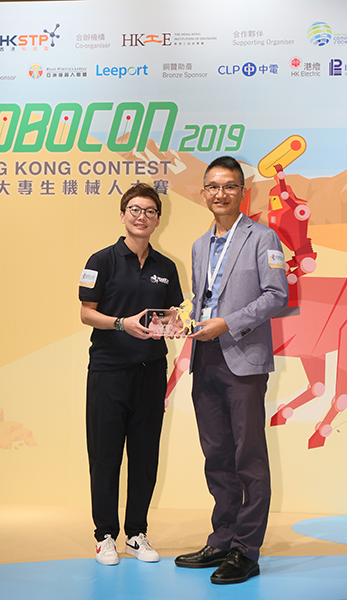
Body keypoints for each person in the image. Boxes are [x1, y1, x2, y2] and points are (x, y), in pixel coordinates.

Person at [175, 157, 289, 584]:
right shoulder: (199, 245)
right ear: (203, 192)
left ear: (243, 192)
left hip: (243, 359)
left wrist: (228, 323)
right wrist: (186, 320)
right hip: (204, 358)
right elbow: (202, 298)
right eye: (213, 186)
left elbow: (276, 295)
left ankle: (246, 550)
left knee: (248, 456)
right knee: (217, 455)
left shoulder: (263, 237)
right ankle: (222, 539)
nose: (220, 193)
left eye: (229, 186)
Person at [79, 183, 183, 566]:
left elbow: (173, 314)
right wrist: (123, 323)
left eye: (150, 211)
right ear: (123, 215)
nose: (142, 217)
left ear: (158, 219)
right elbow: (86, 313)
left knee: (144, 456)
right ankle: (105, 535)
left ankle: (136, 533)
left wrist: (175, 325)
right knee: (105, 456)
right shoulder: (101, 260)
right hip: (108, 371)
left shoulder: (166, 267)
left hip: (151, 372)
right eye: (135, 210)